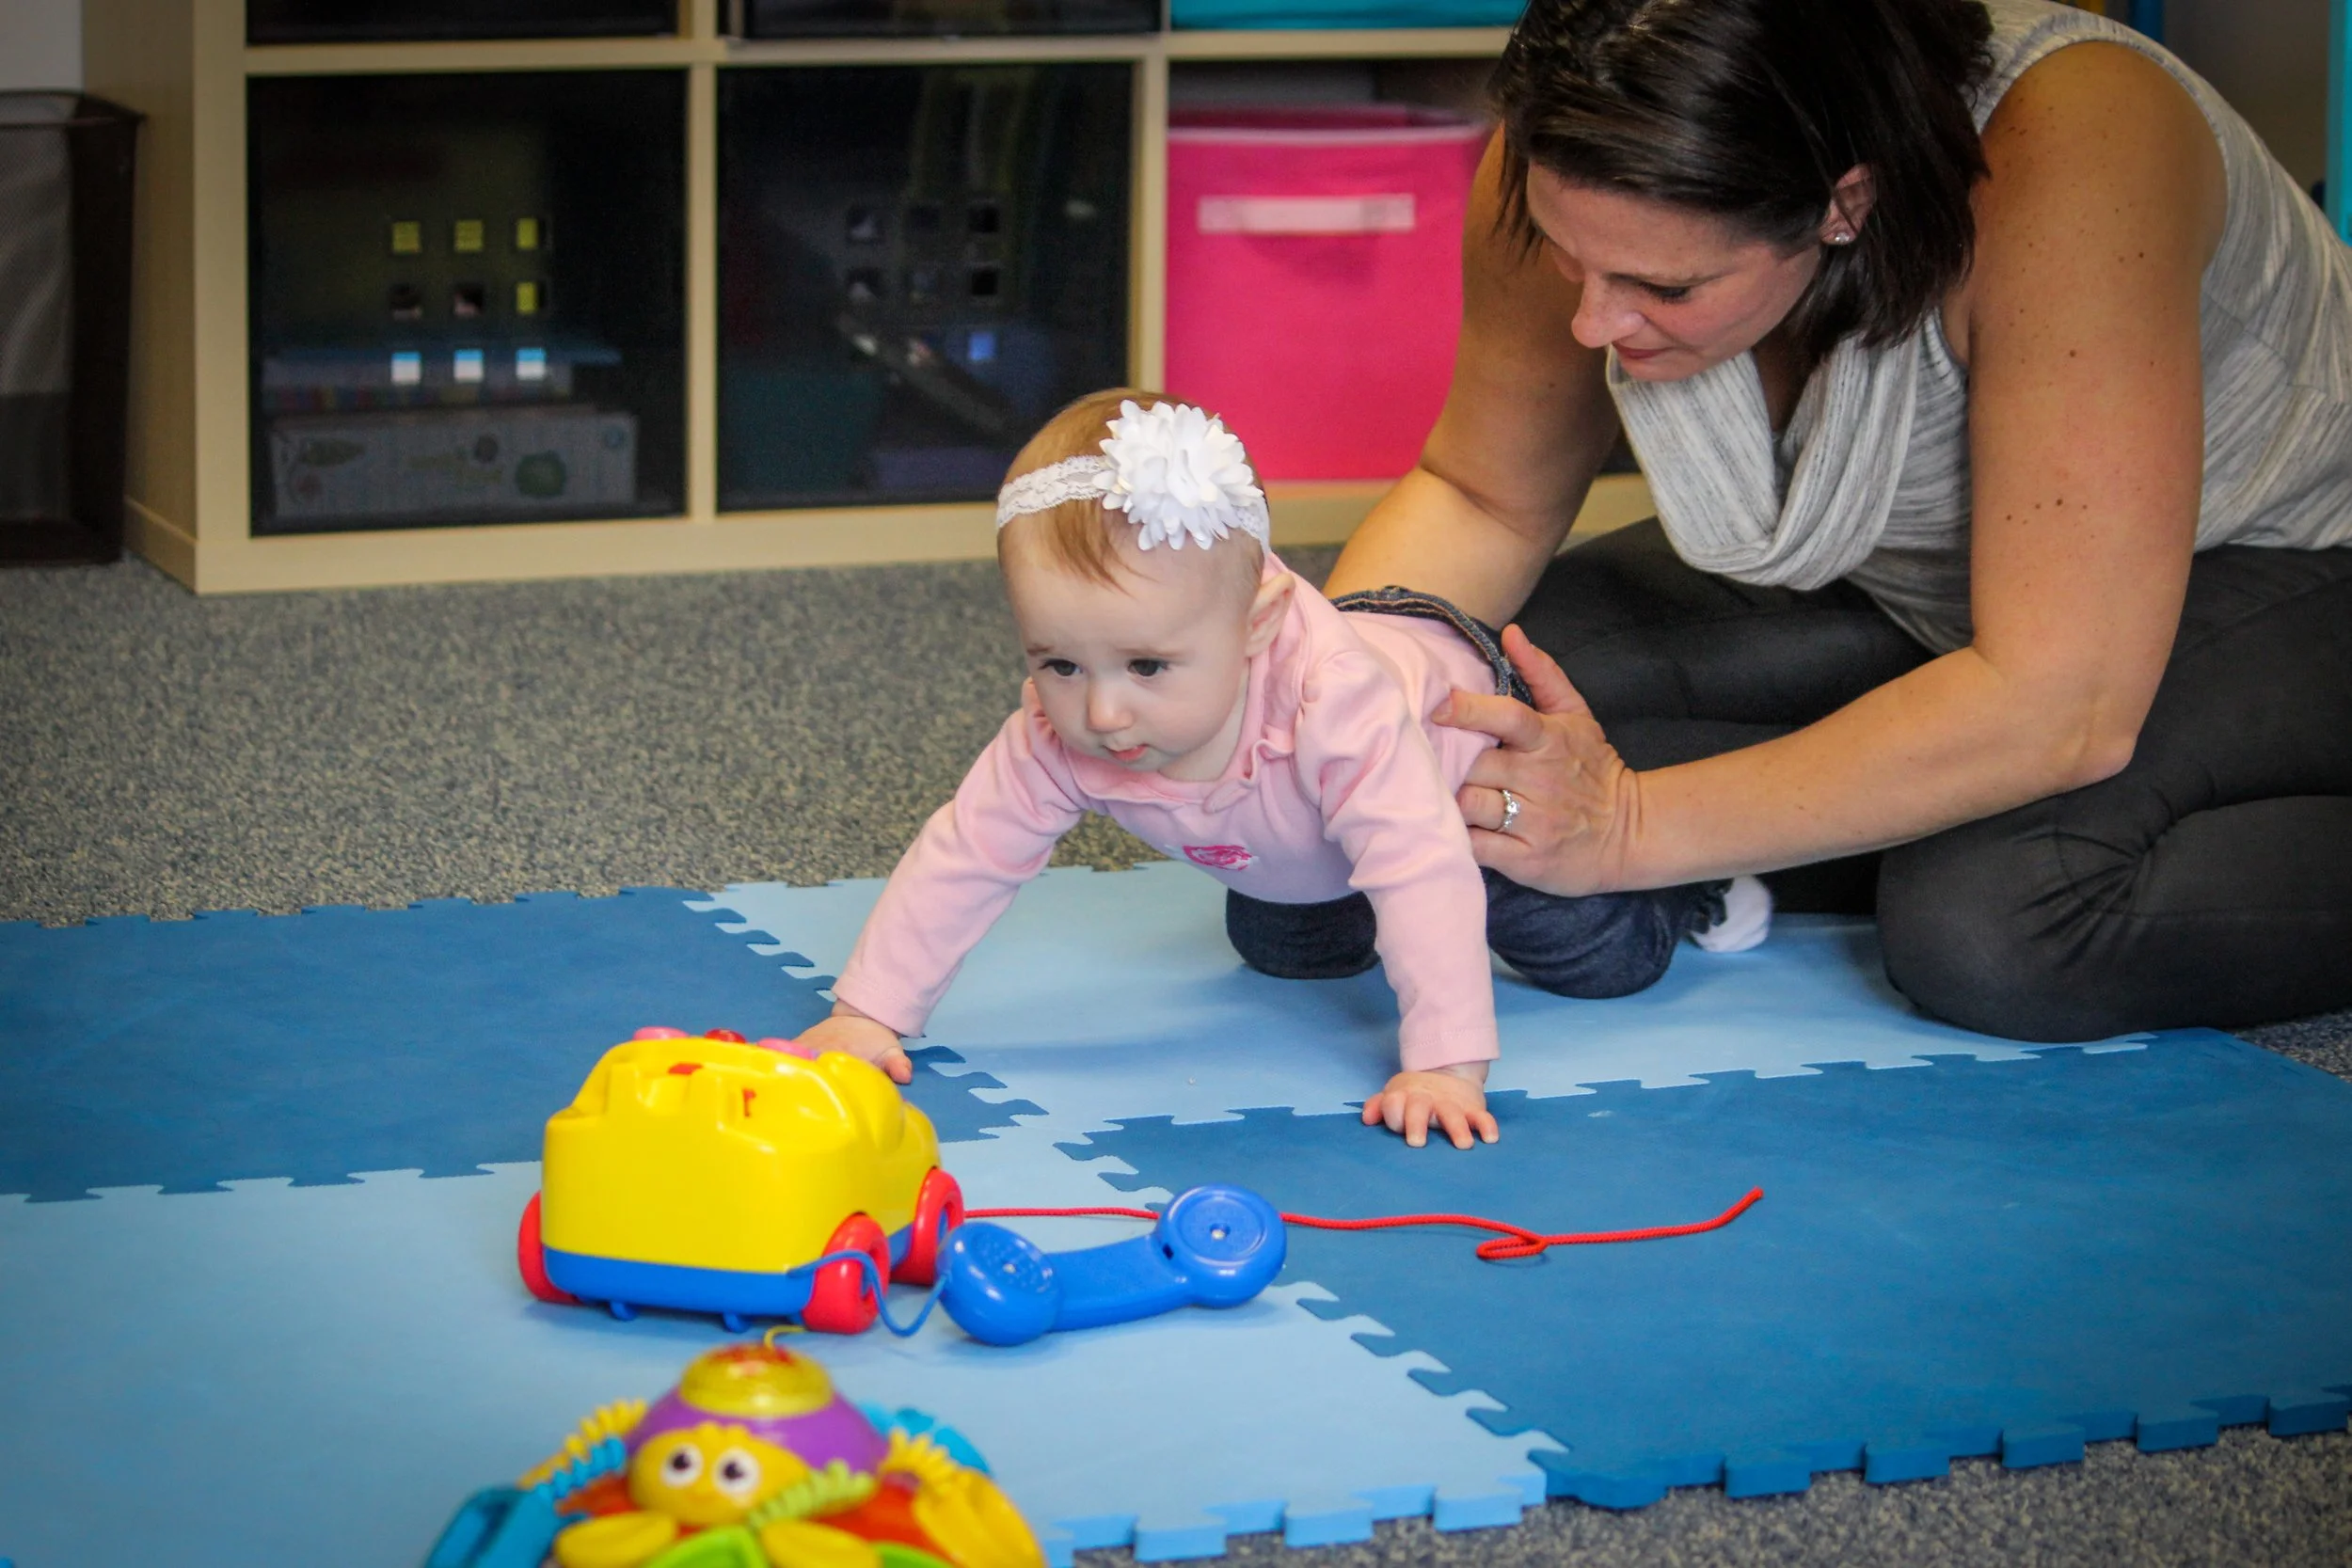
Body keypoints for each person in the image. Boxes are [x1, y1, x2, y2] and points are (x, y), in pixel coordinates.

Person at [1327, 0, 2352, 1041]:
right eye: (1566, 257)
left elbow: (2062, 703)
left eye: (1664, 285)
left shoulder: (2077, 145)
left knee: (1999, 921)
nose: (1591, 321)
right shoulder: (1579, 148)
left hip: (2276, 566)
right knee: (1482, 707)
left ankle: (1933, 841)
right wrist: (1325, 686)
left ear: (1842, 204)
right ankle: (1900, 815)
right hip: (1913, 579)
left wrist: (1625, 827)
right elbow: (1481, 494)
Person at [797, 390, 1767, 1148]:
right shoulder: (1060, 729)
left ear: (1256, 623)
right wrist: (868, 1013)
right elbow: (969, 851)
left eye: (1145, 666)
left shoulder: (1332, 702)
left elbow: (1416, 863)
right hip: (1295, 842)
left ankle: (1689, 891)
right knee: (1282, 946)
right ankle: (1322, 889)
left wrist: (1445, 1063)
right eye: (1057, 663)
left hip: (1469, 804)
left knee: (1596, 958)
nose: (1100, 712)